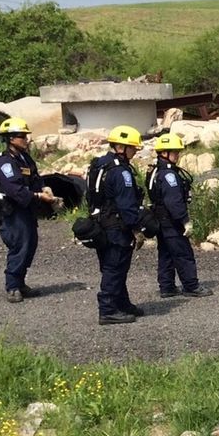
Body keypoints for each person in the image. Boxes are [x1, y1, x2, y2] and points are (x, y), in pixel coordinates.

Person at [0, 117, 56, 303]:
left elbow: (34, 177)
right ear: (11, 139)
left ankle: (20, 282)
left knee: (30, 245)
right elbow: (14, 190)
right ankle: (12, 287)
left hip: (26, 210)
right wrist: (37, 196)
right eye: (22, 137)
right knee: (19, 246)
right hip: (13, 212)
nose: (26, 140)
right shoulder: (5, 162)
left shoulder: (24, 158)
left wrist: (43, 188)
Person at [88, 125, 148, 325]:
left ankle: (122, 303)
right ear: (121, 147)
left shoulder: (99, 164)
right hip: (116, 227)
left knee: (113, 267)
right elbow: (127, 204)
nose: (134, 152)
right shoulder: (121, 172)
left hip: (100, 223)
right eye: (132, 148)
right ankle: (107, 309)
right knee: (115, 267)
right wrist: (137, 227)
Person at [146, 134, 211, 299]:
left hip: (159, 219)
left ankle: (167, 286)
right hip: (171, 221)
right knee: (183, 253)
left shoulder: (155, 171)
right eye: (174, 152)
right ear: (165, 153)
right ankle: (191, 286)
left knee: (166, 253)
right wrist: (185, 220)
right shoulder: (169, 175)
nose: (178, 155)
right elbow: (174, 201)